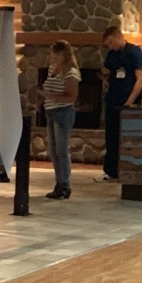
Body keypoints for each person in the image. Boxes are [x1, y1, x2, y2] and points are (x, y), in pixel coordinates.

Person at [100, 25, 142, 183]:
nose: (110, 46)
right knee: (111, 135)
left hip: (128, 100)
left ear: (119, 37)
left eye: (111, 42)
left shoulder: (135, 53)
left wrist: (129, 102)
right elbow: (106, 72)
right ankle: (111, 171)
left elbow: (140, 79)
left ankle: (128, 169)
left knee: (127, 137)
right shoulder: (112, 54)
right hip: (113, 98)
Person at [40, 40, 81, 200]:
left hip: (62, 112)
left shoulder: (71, 73)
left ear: (63, 55)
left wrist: (49, 96)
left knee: (62, 150)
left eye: (55, 55)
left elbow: (71, 97)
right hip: (50, 111)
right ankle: (58, 182)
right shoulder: (52, 69)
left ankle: (65, 184)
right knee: (54, 150)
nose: (53, 58)